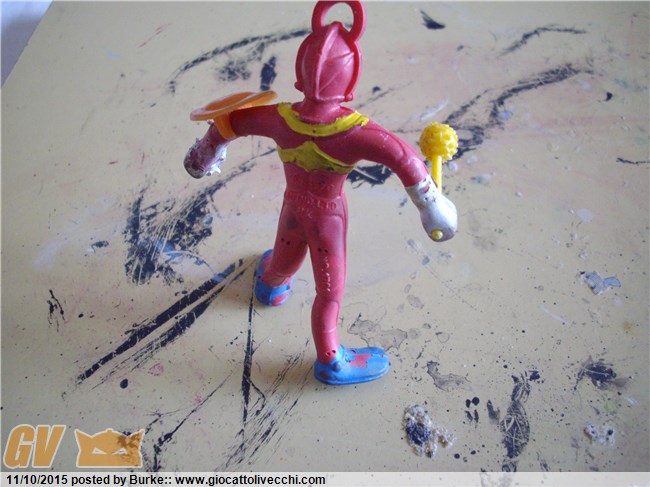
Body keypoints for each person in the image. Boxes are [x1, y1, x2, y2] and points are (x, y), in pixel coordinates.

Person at [183, 0, 457, 385]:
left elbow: (230, 122)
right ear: (350, 82)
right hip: (328, 218)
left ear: (300, 74)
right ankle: (331, 359)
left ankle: (270, 286)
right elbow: (404, 159)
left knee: (285, 253)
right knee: (329, 291)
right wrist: (431, 205)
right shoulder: (357, 131)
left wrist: (205, 152)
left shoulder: (279, 118)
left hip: (293, 206)